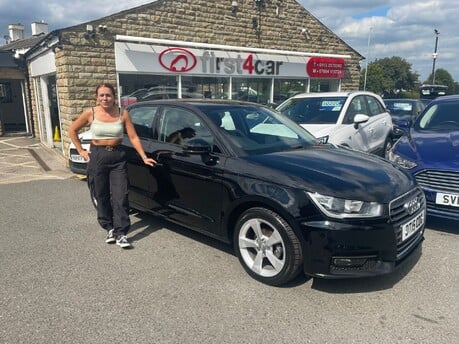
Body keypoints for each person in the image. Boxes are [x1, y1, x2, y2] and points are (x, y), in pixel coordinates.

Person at [69, 83, 156, 249]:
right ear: (97, 97)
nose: (105, 98)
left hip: (118, 156)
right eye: (101, 95)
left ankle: (121, 232)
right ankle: (109, 227)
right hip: (98, 156)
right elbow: (73, 130)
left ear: (114, 96)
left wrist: (144, 156)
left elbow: (133, 137)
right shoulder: (91, 113)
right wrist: (81, 150)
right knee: (100, 194)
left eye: (108, 95)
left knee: (121, 195)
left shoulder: (123, 113)